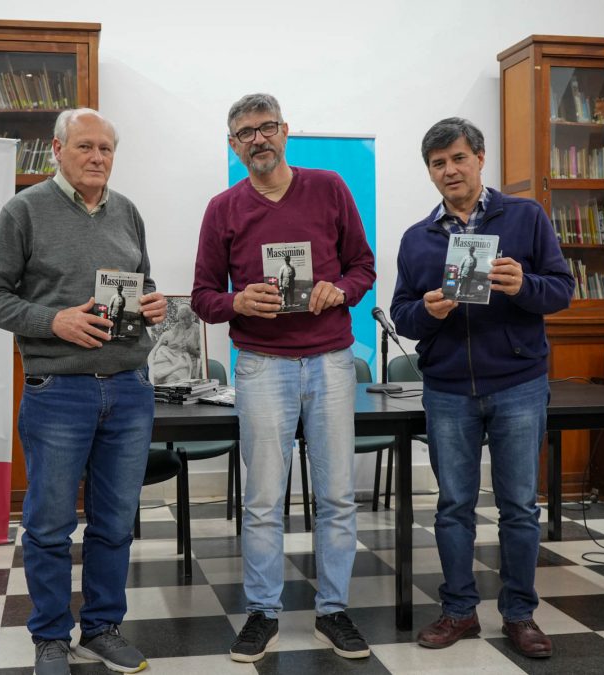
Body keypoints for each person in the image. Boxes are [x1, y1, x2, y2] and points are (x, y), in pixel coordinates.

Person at [0, 108, 166, 675]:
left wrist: (153, 303)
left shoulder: (127, 211)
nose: (98, 158)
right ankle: (51, 637)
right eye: (85, 147)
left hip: (129, 390)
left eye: (106, 149)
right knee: (51, 523)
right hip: (58, 391)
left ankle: (103, 629)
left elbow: (145, 282)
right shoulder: (23, 210)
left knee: (114, 521)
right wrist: (53, 321)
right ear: (57, 150)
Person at [191, 93, 376, 664]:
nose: (258, 139)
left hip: (330, 361)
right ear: (233, 144)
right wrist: (237, 300)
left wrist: (339, 290)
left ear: (285, 131)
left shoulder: (329, 188)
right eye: (245, 133)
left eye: (266, 128)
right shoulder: (223, 208)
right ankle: (262, 613)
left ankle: (333, 610)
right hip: (261, 365)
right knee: (264, 498)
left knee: (337, 494)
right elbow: (202, 297)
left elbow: (362, 266)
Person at [390, 117, 574, 659]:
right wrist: (425, 311)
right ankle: (459, 611)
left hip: (518, 381)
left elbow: (560, 290)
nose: (449, 170)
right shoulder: (417, 238)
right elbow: (402, 313)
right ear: (430, 172)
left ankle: (519, 614)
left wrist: (525, 286)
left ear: (480, 158)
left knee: (519, 506)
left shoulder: (526, 216)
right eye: (438, 163)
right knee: (453, 506)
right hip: (447, 388)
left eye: (458, 158)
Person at [148, 303, 202, 384]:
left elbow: (202, 354)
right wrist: (165, 343)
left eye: (186, 317)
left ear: (191, 316)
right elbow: (167, 338)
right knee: (156, 376)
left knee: (171, 379)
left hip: (186, 363)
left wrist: (191, 350)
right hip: (172, 360)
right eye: (181, 318)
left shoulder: (197, 329)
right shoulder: (177, 327)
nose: (184, 321)